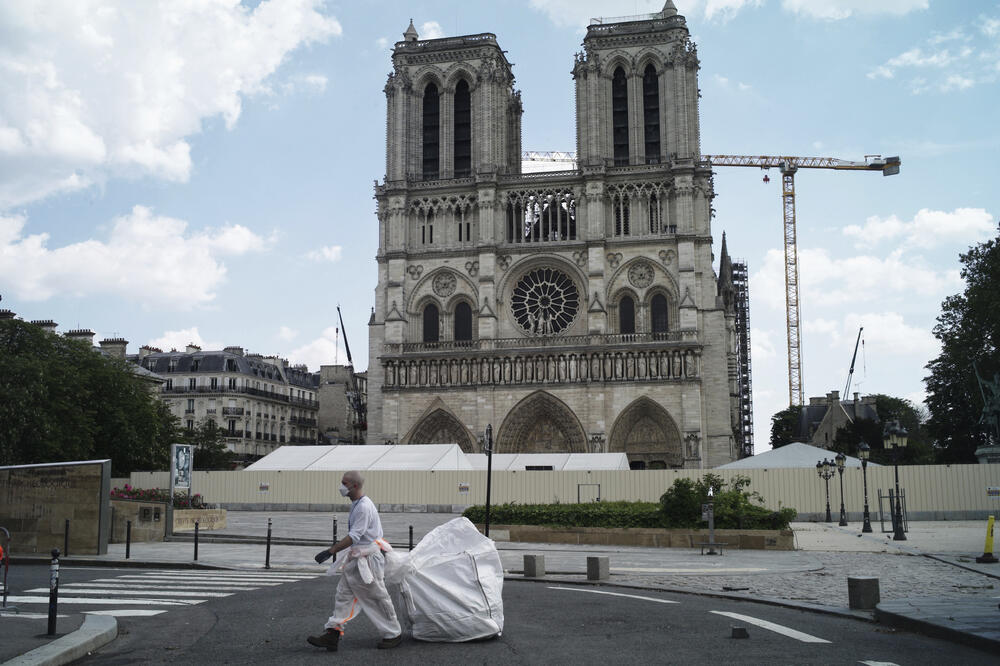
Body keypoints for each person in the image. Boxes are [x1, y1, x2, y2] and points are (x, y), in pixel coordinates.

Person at [307, 470, 402, 652]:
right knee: (343, 596)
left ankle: (393, 633)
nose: (341, 486)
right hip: (357, 559)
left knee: (377, 596)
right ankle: (332, 634)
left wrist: (331, 551)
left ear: (355, 486)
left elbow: (354, 536)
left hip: (367, 561)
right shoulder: (357, 504)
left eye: (344, 483)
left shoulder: (364, 507)